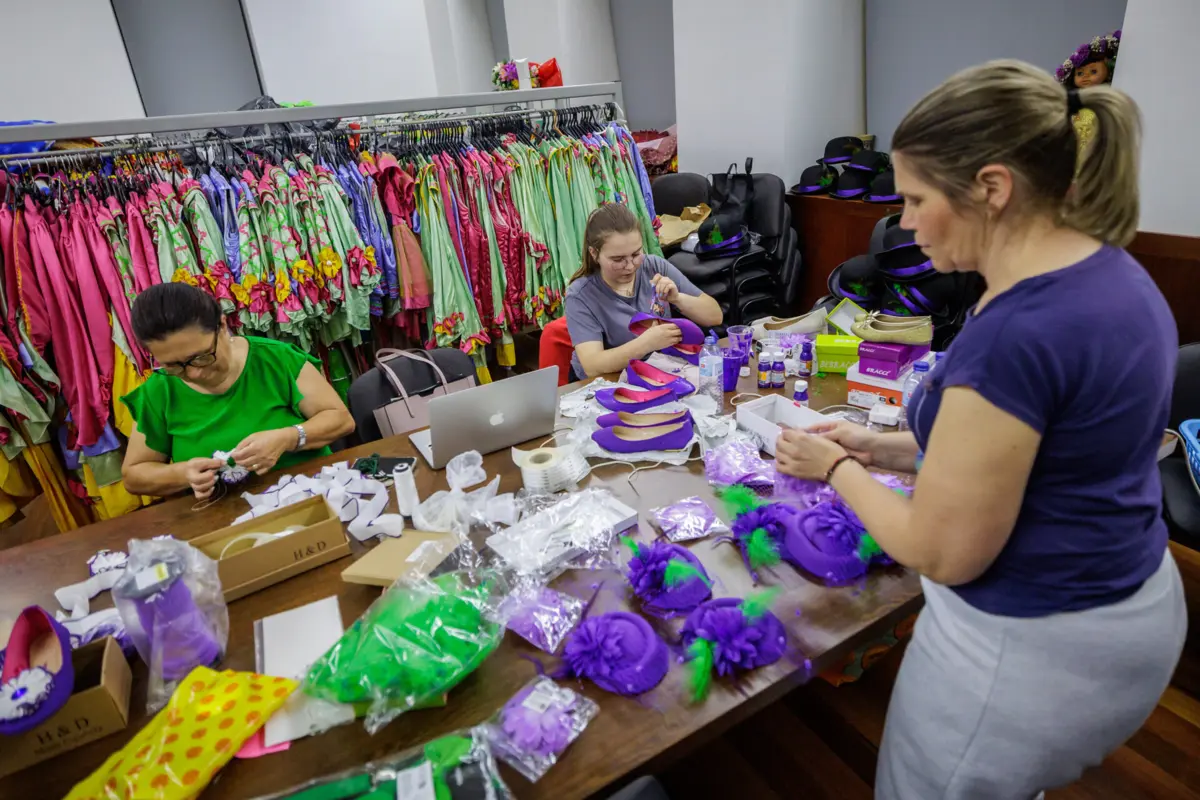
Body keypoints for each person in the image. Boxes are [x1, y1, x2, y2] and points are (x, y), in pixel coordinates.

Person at [774, 60, 1186, 798]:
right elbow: (1037, 451)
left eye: (915, 199)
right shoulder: (1109, 274)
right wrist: (879, 445)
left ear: (992, 189)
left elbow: (940, 550)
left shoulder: (1019, 333)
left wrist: (836, 470)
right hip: (1128, 600)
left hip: (1032, 647)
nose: (901, 223)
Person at [121, 283, 355, 500]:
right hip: (224, 516)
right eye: (173, 365)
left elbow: (340, 420)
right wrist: (183, 474)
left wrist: (288, 438)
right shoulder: (159, 390)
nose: (193, 374)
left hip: (315, 496)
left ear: (222, 326)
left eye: (201, 357)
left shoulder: (275, 360)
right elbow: (134, 475)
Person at [564, 203, 722, 379]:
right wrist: (647, 343)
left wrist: (678, 298)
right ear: (594, 254)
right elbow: (593, 366)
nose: (630, 266)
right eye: (618, 259)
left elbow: (715, 316)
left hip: (655, 371)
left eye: (635, 254)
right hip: (604, 383)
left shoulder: (654, 266)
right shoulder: (580, 295)